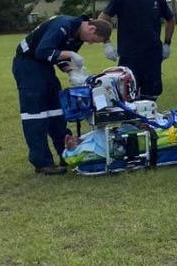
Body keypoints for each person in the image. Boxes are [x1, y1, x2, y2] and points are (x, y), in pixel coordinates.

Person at [12, 16, 112, 175]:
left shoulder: (78, 36)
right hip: (28, 65)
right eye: (94, 39)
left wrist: (72, 72)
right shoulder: (63, 25)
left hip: (44, 67)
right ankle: (42, 163)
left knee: (57, 111)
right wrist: (70, 53)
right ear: (92, 29)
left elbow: (59, 57)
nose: (91, 43)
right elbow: (43, 51)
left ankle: (66, 154)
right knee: (35, 115)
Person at [100, 0, 175, 100]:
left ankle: (148, 121)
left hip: (153, 55)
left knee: (151, 94)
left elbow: (170, 20)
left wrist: (167, 44)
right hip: (129, 55)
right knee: (127, 95)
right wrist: (107, 43)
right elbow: (103, 18)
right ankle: (130, 122)